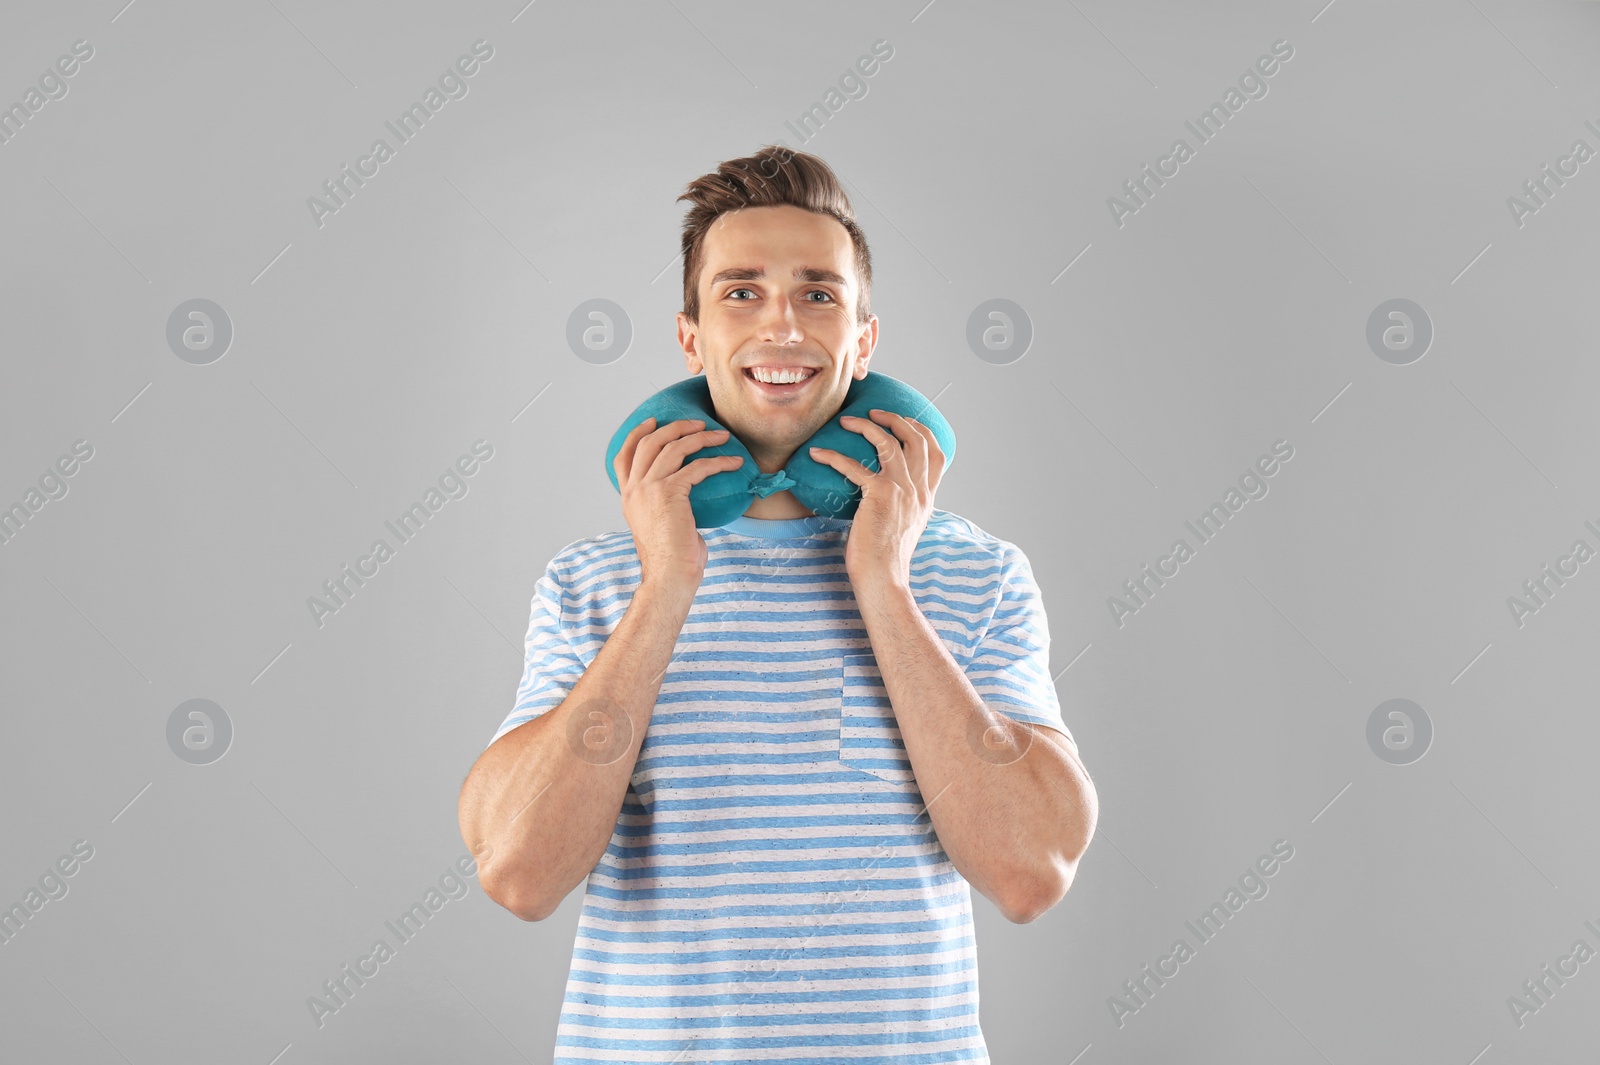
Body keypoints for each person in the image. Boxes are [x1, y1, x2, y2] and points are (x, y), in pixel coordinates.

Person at [457, 145, 1098, 1063]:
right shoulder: (593, 581)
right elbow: (519, 872)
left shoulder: (977, 575)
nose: (783, 325)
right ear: (691, 337)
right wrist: (668, 583)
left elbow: (1032, 871)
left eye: (819, 294)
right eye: (741, 291)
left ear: (865, 341)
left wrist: (884, 582)